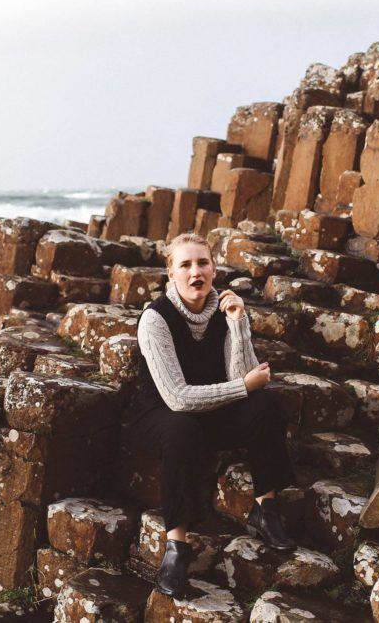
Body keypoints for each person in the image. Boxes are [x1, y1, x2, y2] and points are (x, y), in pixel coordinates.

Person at [122, 232, 296, 598]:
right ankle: (176, 546)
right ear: (171, 273)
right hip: (160, 414)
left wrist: (237, 324)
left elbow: (243, 376)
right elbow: (178, 398)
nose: (194, 271)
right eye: (184, 265)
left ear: (214, 268)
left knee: (266, 406)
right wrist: (244, 387)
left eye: (202, 263)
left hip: (212, 410)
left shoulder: (226, 309)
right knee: (181, 430)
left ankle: (266, 508)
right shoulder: (155, 319)